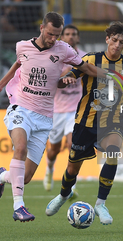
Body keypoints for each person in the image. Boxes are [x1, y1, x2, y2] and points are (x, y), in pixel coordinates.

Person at [0, 12, 114, 222]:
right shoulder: (22, 46)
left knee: (23, 178)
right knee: (20, 147)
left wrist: (108, 75)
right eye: (51, 34)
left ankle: (2, 176)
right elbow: (17, 64)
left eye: (57, 35)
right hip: (21, 108)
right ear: (42, 28)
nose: (54, 39)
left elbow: (85, 68)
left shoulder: (64, 50)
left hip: (44, 117)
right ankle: (19, 207)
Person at [45, 21, 123, 225]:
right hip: (85, 121)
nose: (118, 45)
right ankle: (63, 195)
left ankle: (101, 204)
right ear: (107, 39)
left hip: (113, 122)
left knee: (112, 154)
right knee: (72, 167)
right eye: (114, 40)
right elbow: (69, 75)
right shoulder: (90, 59)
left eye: (122, 42)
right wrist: (66, 79)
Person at [43, 24, 86, 193]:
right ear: (61, 37)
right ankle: (49, 169)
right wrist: (67, 72)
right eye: (67, 34)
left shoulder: (84, 57)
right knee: (54, 150)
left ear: (78, 38)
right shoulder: (54, 57)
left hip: (76, 110)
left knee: (72, 145)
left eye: (74, 34)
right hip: (56, 110)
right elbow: (47, 81)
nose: (70, 36)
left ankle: (71, 185)